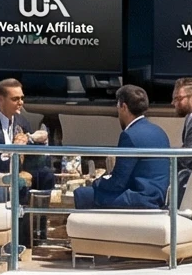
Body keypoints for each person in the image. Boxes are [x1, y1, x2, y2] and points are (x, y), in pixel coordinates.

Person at [71, 84, 171, 212]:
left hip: (140, 200)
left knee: (82, 194)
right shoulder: (160, 132)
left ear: (124, 107)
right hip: (158, 199)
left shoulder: (129, 135)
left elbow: (118, 183)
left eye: (117, 106)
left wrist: (97, 183)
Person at [0, 78, 52, 204]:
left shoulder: (22, 121)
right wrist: (12, 149)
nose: (21, 103)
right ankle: (19, 222)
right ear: (1, 100)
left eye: (22, 98)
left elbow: (30, 156)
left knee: (46, 175)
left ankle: (39, 219)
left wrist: (36, 141)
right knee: (19, 181)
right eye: (15, 99)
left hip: (18, 170)